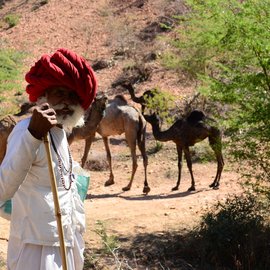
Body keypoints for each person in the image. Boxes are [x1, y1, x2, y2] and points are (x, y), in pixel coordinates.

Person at [0, 48, 97, 270]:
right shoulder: (27, 129)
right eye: (59, 93)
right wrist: (33, 135)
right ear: (44, 96)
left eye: (73, 96)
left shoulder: (61, 132)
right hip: (35, 250)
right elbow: (2, 189)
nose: (67, 101)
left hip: (66, 244)